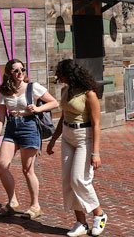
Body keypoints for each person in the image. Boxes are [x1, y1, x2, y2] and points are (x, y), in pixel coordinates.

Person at [46, 59, 108, 237]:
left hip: (84, 138)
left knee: (79, 179)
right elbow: (63, 116)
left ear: (70, 74)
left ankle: (99, 214)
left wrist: (96, 153)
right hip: (67, 136)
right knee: (68, 181)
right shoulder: (66, 90)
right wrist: (53, 140)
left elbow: (97, 124)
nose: (59, 78)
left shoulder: (89, 95)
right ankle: (81, 222)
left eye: (61, 74)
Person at [0, 58, 58, 219]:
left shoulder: (32, 87)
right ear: (9, 73)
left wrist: (38, 108)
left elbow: (54, 102)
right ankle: (13, 202)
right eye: (16, 70)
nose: (20, 72)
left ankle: (35, 205)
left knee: (27, 170)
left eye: (22, 69)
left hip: (29, 127)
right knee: (2, 166)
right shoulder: (4, 92)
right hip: (12, 128)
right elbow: (0, 118)